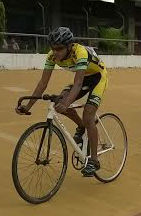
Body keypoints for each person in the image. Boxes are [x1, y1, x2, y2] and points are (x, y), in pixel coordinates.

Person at [15, 27, 108, 177]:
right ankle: (81, 126)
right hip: (83, 78)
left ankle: (94, 160)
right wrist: (28, 106)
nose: (55, 52)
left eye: (59, 49)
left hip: (98, 77)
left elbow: (77, 84)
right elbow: (43, 83)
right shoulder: (52, 56)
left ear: (69, 46)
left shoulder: (80, 52)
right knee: (59, 103)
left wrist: (66, 103)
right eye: (53, 48)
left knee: (88, 114)